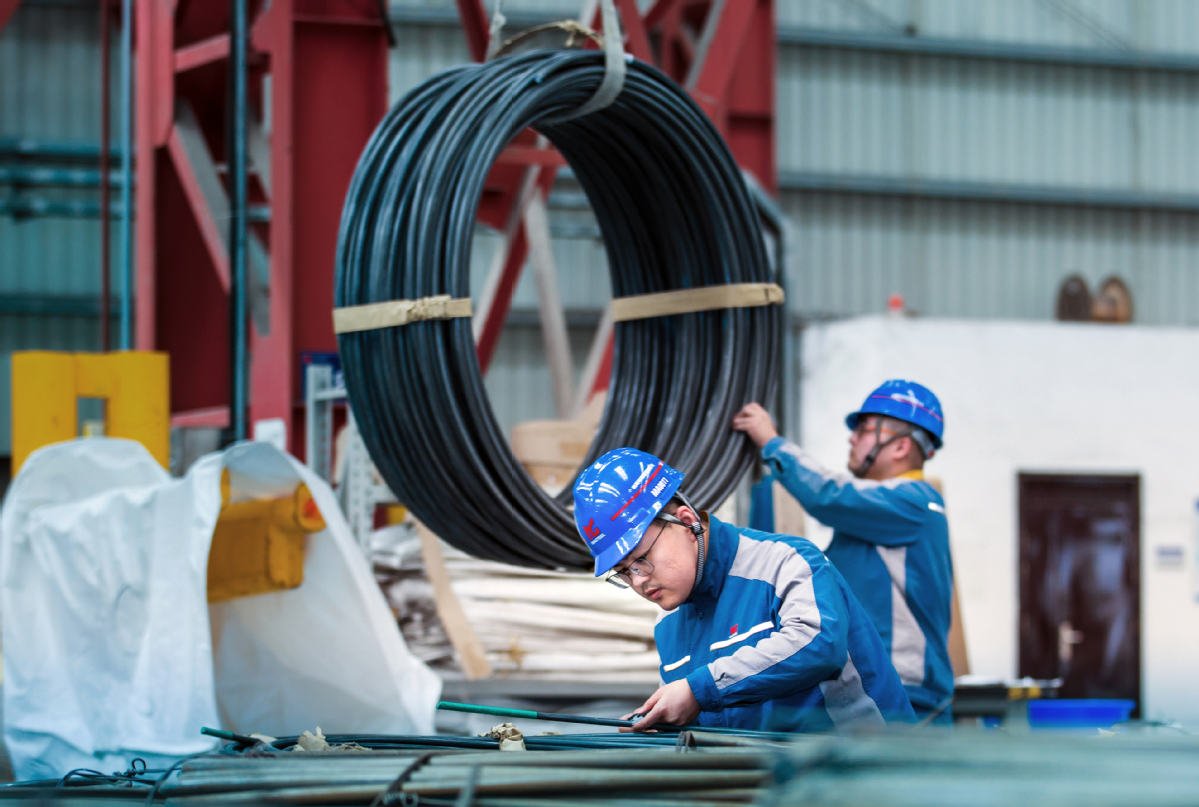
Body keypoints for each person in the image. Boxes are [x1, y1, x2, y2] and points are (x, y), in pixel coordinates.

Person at [573, 447, 915, 733]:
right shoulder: (669, 627)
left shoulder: (785, 562)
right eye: (623, 573)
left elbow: (818, 643)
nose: (637, 581)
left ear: (687, 521)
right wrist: (659, 725)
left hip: (866, 774)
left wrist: (699, 690)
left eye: (641, 560)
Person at [732, 380, 953, 724]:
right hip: (878, 688)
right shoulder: (873, 521)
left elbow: (827, 493)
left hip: (907, 696)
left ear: (900, 446)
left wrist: (771, 442)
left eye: (863, 430)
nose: (852, 438)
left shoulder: (914, 502)